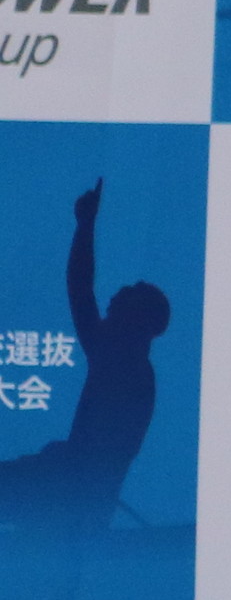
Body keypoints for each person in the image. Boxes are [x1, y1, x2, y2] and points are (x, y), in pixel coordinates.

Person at [0, 181, 168, 542]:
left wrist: (86, 225)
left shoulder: (123, 363)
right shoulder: (130, 365)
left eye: (130, 293)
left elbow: (80, 290)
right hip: (73, 497)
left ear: (141, 319)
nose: (118, 293)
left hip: (64, 495)